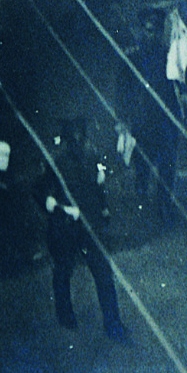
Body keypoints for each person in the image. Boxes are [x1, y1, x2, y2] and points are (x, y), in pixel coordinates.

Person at [45, 121, 128, 341]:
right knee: (64, 269)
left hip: (90, 224)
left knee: (103, 273)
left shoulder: (92, 156)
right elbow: (42, 190)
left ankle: (113, 324)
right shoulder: (58, 163)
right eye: (74, 141)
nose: (79, 144)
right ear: (68, 142)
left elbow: (98, 187)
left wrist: (103, 208)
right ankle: (65, 315)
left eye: (81, 139)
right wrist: (57, 207)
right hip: (68, 226)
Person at [116, 7, 183, 227]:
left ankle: (165, 207)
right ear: (141, 30)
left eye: (155, 31)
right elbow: (122, 89)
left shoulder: (169, 55)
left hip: (165, 120)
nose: (151, 35)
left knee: (168, 165)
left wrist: (182, 113)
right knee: (143, 163)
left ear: (161, 31)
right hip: (142, 120)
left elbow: (182, 85)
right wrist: (123, 119)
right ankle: (142, 199)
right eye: (147, 30)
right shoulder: (132, 56)